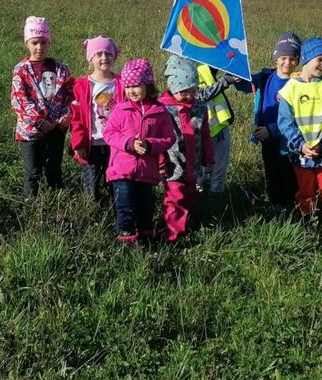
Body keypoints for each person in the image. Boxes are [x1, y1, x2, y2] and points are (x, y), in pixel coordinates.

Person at [276, 36, 322, 230]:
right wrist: (301, 144)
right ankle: (307, 223)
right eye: (320, 60)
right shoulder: (289, 89)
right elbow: (285, 122)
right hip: (301, 153)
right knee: (305, 191)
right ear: (307, 59)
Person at [104, 59, 176, 245]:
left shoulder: (160, 112)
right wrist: (129, 143)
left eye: (136, 85)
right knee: (125, 206)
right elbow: (109, 134)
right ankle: (126, 241)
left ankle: (146, 239)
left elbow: (169, 138)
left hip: (147, 171)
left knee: (146, 207)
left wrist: (150, 145)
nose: (131, 91)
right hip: (121, 170)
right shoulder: (120, 109)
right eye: (128, 86)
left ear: (148, 85)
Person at [11, 17, 72, 198]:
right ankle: (30, 204)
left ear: (49, 42)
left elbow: (70, 96)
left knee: (54, 169)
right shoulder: (21, 70)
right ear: (27, 43)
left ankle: (58, 204)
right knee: (33, 171)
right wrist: (39, 121)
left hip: (56, 129)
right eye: (35, 42)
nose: (39, 47)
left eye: (43, 42)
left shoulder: (61, 69)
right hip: (30, 131)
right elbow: (19, 100)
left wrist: (65, 117)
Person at [160, 56, 214, 244]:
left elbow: (205, 134)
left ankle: (186, 223)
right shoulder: (163, 109)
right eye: (183, 92)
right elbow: (157, 137)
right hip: (173, 164)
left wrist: (209, 156)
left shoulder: (199, 108)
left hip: (195, 162)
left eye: (193, 90)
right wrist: (160, 161)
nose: (189, 96)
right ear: (173, 87)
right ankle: (173, 235)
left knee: (191, 194)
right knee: (175, 197)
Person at [248, 32, 301, 213]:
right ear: (276, 58)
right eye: (283, 58)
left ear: (298, 60)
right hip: (267, 140)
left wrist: (272, 130)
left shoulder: (299, 84)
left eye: (293, 59)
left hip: (288, 141)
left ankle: (291, 210)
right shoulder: (265, 77)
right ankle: (274, 207)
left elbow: (297, 117)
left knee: (288, 176)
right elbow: (243, 82)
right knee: (271, 174)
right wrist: (235, 74)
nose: (288, 63)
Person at [69, 35, 120, 205]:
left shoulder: (120, 83)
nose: (104, 58)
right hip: (92, 143)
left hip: (115, 144)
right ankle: (91, 208)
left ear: (114, 55)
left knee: (115, 178)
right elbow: (77, 118)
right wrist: (79, 143)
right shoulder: (83, 84)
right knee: (92, 179)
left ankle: (115, 205)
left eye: (107, 53)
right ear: (91, 58)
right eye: (98, 54)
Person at [193, 63, 252, 194]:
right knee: (201, 169)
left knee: (218, 168)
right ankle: (200, 197)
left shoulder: (207, 68)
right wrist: (225, 81)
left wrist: (231, 70)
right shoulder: (189, 71)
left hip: (219, 128)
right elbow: (199, 95)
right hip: (201, 131)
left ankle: (216, 197)